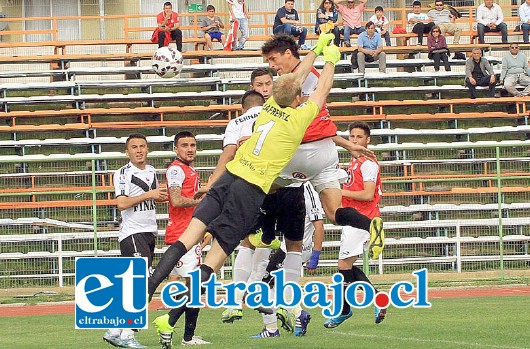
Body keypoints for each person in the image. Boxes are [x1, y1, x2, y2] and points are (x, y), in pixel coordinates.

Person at [147, 32, 341, 304]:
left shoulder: (265, 109)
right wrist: (329, 58)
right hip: (249, 190)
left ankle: (138, 305)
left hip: (229, 178)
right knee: (214, 260)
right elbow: (319, 91)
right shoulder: (298, 119)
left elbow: (227, 154)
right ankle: (174, 321)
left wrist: (213, 182)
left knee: (185, 241)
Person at [260, 34, 383, 260]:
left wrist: (316, 50)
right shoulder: (317, 76)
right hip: (326, 151)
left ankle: (266, 234)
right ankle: (370, 224)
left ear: (288, 54)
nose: (271, 65)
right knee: (334, 212)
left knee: (262, 185)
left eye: (273, 59)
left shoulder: (295, 80)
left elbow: (298, 82)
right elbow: (322, 123)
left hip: (300, 150)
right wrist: (349, 145)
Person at [103, 134, 168, 349]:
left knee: (134, 285)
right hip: (132, 234)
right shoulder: (123, 173)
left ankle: (114, 329)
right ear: (127, 151)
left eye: (142, 146)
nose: (139, 150)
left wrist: (160, 197)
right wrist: (150, 194)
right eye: (134, 147)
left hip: (149, 232)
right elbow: (121, 203)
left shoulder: (151, 172)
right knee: (143, 285)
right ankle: (128, 334)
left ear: (147, 149)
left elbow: (152, 198)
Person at [323, 121, 386, 329]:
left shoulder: (368, 163)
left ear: (367, 140)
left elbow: (368, 194)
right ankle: (355, 306)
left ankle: (345, 310)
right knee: (346, 266)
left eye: (359, 137)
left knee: (343, 266)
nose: (354, 140)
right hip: (353, 219)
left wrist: (339, 192)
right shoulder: (355, 162)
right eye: (352, 137)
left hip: (363, 219)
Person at [152, 132, 210, 348]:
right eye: (184, 145)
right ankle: (173, 326)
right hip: (183, 236)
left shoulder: (189, 170)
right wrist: (204, 204)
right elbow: (176, 200)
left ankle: (185, 336)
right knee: (196, 286)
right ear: (176, 149)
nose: (190, 149)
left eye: (193, 145)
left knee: (193, 286)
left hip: (188, 234)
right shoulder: (176, 169)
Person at [251, 181, 325, 339]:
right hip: (289, 247)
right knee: (275, 284)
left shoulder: (308, 190)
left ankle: (288, 319)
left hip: (297, 249)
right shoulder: (290, 184)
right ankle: (284, 315)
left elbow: (319, 225)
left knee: (265, 281)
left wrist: (315, 255)